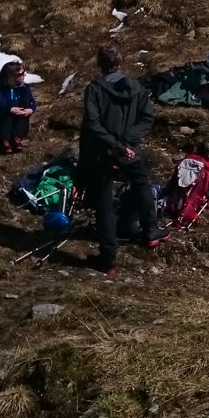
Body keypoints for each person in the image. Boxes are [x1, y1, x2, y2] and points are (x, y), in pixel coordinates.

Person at [79, 45, 158, 274]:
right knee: (142, 184)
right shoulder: (137, 88)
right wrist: (127, 143)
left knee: (104, 202)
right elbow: (147, 118)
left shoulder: (94, 89)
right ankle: (150, 231)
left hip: (101, 152)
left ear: (99, 64)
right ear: (121, 62)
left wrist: (116, 144)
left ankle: (108, 258)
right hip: (130, 151)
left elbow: (92, 124)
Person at [0, 60, 38, 153]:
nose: (24, 75)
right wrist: (10, 109)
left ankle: (17, 138)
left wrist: (31, 109)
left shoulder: (24, 87)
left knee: (24, 105)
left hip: (18, 122)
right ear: (11, 76)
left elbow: (32, 101)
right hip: (2, 123)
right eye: (21, 73)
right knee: (8, 109)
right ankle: (5, 140)